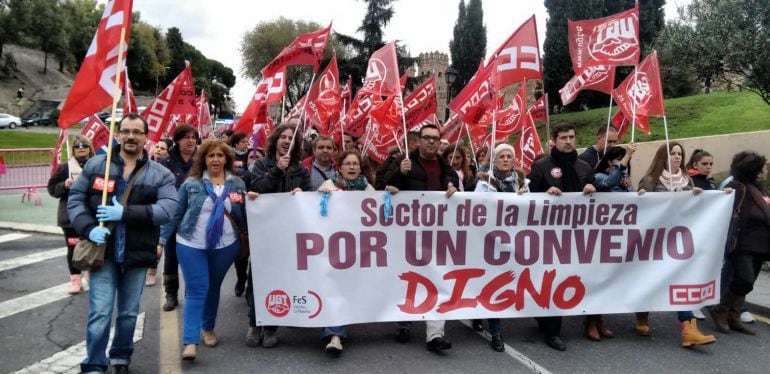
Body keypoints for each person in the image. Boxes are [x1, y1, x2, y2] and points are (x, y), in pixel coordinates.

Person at [67, 113, 178, 374]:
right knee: (100, 314)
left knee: (128, 313)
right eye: (125, 131)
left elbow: (167, 209)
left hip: (137, 254)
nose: (130, 136)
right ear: (117, 135)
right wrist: (88, 228)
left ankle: (120, 356)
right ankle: (94, 364)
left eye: (137, 132)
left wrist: (125, 213)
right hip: (102, 254)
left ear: (146, 137)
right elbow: (75, 201)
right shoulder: (97, 166)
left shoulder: (160, 174)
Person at [171, 140, 256, 361]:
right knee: (198, 288)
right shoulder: (191, 183)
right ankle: (190, 341)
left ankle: (207, 328)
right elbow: (177, 214)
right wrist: (161, 242)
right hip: (191, 244)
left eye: (220, 155)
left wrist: (254, 201)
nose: (216, 159)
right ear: (204, 160)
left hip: (226, 246)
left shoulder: (238, 184)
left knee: (213, 287)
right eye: (211, 156)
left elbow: (245, 213)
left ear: (227, 159)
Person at [384, 124, 459, 352]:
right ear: (418, 141)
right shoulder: (403, 162)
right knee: (407, 277)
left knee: (438, 278)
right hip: (407, 232)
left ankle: (435, 335)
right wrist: (399, 174)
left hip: (437, 233)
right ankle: (403, 321)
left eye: (435, 139)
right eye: (427, 138)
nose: (431, 142)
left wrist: (454, 188)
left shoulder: (446, 168)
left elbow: (455, 186)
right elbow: (382, 185)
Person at [636, 142, 716, 347]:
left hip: (679, 241)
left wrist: (700, 197)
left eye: (680, 154)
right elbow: (640, 210)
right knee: (649, 280)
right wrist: (642, 198)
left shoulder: (687, 180)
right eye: (672, 153)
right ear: (664, 156)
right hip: (655, 241)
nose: (677, 157)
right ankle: (642, 316)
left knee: (682, 280)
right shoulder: (650, 180)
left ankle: (688, 328)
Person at [317, 149, 394, 356]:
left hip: (361, 250)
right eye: (348, 164)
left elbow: (379, 213)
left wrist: (390, 197)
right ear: (339, 167)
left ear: (361, 168)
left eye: (355, 164)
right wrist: (319, 197)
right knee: (336, 289)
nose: (352, 167)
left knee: (349, 289)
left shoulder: (368, 189)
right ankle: (335, 335)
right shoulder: (328, 186)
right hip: (334, 249)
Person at [527, 124, 596, 352]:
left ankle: (587, 319)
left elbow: (600, 198)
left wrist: (591, 187)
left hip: (579, 236)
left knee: (576, 277)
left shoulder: (585, 166)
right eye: (564, 137)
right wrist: (543, 195)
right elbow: (526, 200)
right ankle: (552, 331)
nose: (568, 141)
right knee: (551, 280)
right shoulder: (540, 167)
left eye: (572, 137)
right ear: (554, 141)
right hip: (548, 237)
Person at [245, 124, 311, 348]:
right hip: (264, 232)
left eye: (291, 138)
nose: (286, 141)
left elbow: (309, 198)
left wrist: (302, 195)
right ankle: (255, 323)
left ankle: (271, 326)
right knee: (258, 279)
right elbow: (256, 190)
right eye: (282, 136)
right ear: (275, 140)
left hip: (289, 234)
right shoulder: (260, 165)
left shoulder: (301, 170)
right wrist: (275, 171)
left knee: (281, 278)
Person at [472, 143, 528, 351]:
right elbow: (474, 209)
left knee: (508, 281)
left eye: (509, 156)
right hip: (487, 240)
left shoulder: (523, 182)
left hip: (513, 242)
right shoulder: (484, 182)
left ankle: (480, 316)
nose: (505, 159)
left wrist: (525, 198)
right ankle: (496, 331)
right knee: (490, 281)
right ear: (494, 161)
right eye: (501, 156)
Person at [710, 151, 768, 336]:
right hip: (743, 244)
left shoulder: (761, 190)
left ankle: (733, 316)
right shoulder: (739, 187)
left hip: (762, 246)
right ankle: (721, 308)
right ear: (755, 171)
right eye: (763, 168)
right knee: (745, 278)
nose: (766, 171)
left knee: (748, 283)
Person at [47, 135, 95, 294]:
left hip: (91, 215)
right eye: (77, 146)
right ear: (73, 150)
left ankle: (91, 275)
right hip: (69, 217)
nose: (81, 148)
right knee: (73, 247)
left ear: (90, 148)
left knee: (93, 246)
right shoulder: (64, 168)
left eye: (84, 145)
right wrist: (64, 185)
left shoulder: (98, 165)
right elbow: (52, 189)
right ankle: (75, 279)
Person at [158, 125, 199, 311]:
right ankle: (171, 294)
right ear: (177, 140)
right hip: (173, 215)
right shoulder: (166, 162)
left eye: (193, 137)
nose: (190, 141)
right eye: (186, 137)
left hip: (196, 216)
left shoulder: (201, 160)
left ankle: (191, 292)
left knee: (193, 257)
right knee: (171, 257)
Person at [146, 138, 173, 286]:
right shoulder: (144, 164)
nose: (158, 150)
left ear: (168, 152)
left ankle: (152, 271)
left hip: (162, 209)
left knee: (158, 244)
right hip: (145, 208)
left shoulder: (168, 170)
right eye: (156, 147)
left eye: (162, 148)